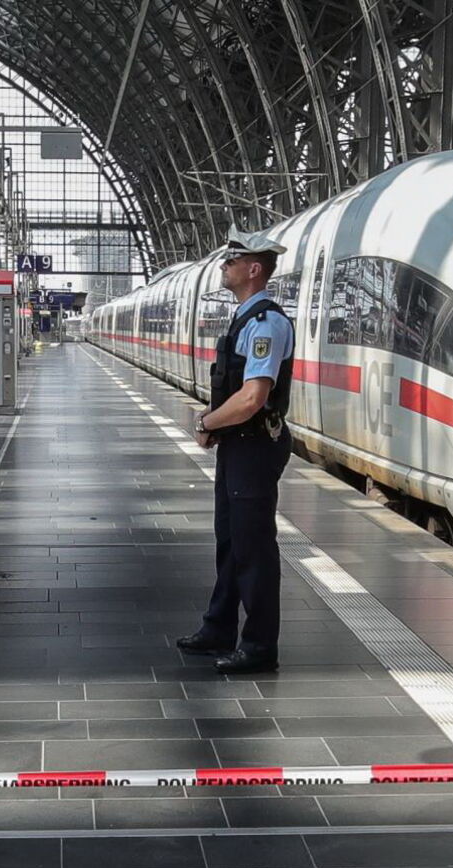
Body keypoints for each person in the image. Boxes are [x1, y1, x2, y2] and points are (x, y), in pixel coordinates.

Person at [175, 225, 295, 674]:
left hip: (255, 446)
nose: (224, 266)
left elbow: (252, 398)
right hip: (238, 446)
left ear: (254, 269)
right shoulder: (245, 319)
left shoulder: (267, 324)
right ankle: (218, 628)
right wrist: (215, 423)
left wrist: (206, 423)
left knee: (254, 549)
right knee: (230, 541)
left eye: (232, 261)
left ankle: (260, 646)